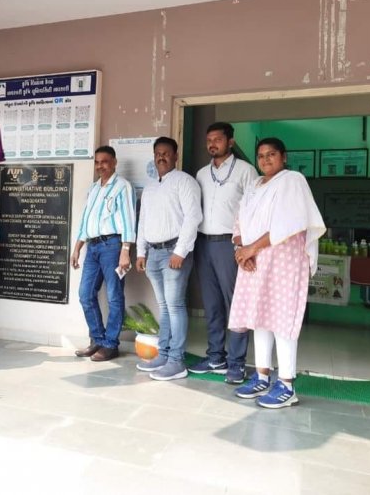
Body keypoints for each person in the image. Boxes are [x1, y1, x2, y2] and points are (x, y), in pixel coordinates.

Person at [229, 137, 325, 408]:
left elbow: (289, 223)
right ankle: (261, 376)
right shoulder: (254, 186)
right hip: (255, 262)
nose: (265, 160)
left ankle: (286, 384)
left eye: (272, 154)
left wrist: (251, 249)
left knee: (282, 320)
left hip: (283, 260)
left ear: (284, 156)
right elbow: (239, 221)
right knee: (259, 318)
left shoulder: (292, 180)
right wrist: (241, 250)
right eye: (261, 156)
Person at [189, 122, 258, 385]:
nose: (212, 144)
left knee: (235, 304)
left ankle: (237, 363)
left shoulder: (245, 171)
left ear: (230, 142)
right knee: (212, 304)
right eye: (209, 139)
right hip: (204, 243)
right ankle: (215, 356)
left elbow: (254, 210)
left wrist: (246, 246)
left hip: (231, 246)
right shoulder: (201, 174)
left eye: (218, 139)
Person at [135, 136, 202, 380]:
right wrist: (141, 252)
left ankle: (177, 361)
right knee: (164, 307)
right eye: (157, 153)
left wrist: (180, 252)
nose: (161, 157)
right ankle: (163, 355)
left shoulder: (185, 182)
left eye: (166, 153)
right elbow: (143, 222)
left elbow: (193, 217)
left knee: (174, 306)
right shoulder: (151, 186)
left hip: (174, 253)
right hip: (153, 253)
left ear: (175, 156)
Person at [71, 146, 136, 362]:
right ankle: (97, 339)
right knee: (85, 294)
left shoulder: (122, 187)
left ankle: (110, 344)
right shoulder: (93, 189)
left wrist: (125, 251)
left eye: (105, 161)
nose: (101, 166)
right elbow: (86, 220)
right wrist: (78, 246)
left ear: (114, 162)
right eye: (97, 162)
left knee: (114, 296)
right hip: (93, 247)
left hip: (113, 246)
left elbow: (128, 220)